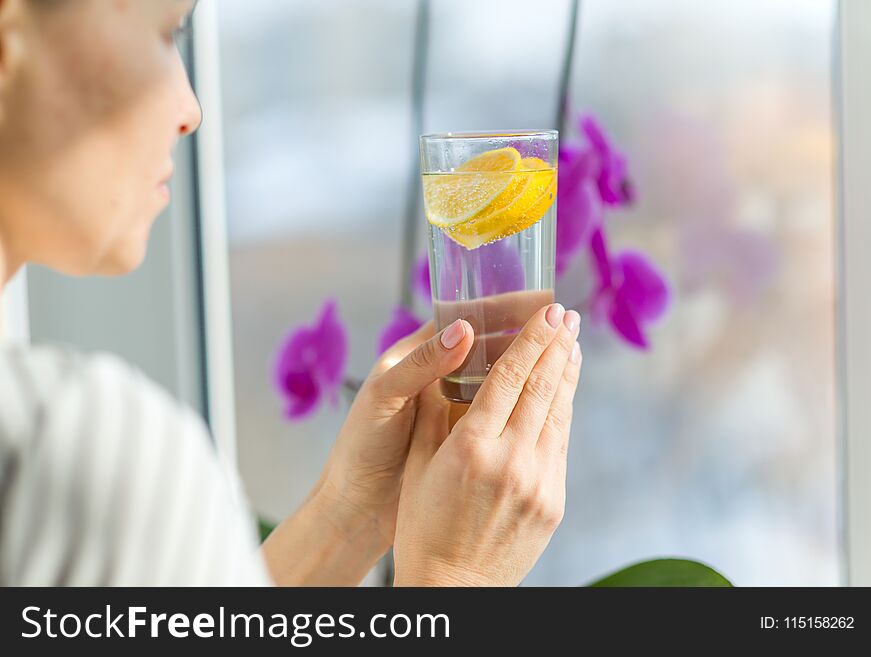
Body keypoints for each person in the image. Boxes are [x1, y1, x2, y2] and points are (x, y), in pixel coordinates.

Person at [0, 0, 582, 586]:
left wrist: (351, 516)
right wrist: (457, 574)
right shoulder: (77, 455)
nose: (191, 110)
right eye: (165, 30)